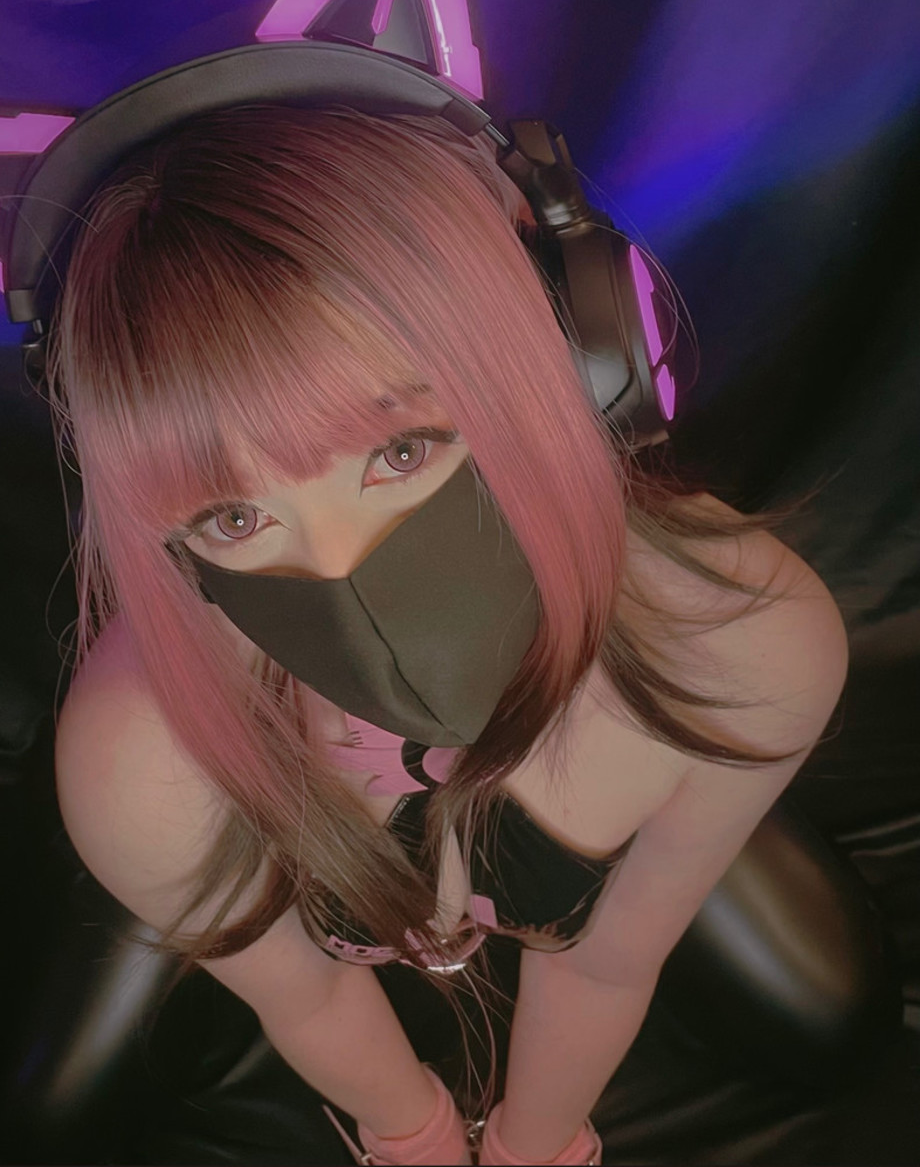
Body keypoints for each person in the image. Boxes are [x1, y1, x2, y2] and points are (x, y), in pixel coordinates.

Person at [47, 100, 849, 1166]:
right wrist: (413, 1140)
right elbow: (303, 995)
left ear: (579, 358)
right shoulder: (141, 767)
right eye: (234, 517)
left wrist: (536, 1150)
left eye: (402, 451)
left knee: (834, 1017)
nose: (343, 577)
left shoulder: (748, 646)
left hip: (665, 776)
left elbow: (611, 962)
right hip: (232, 874)